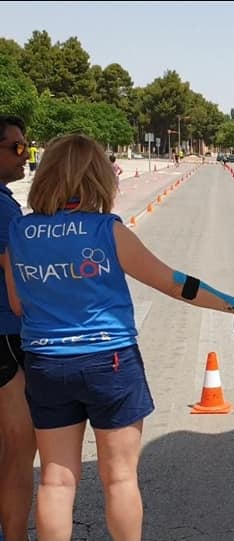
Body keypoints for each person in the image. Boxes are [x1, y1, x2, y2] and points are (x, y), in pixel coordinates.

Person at [0, 133, 234, 541]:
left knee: (57, 482)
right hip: (109, 363)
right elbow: (174, 284)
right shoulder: (105, 231)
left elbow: (18, 303)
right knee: (119, 478)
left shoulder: (20, 234)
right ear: (97, 176)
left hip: (46, 364)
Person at [0, 115, 36, 541]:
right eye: (16, 147)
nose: (25, 154)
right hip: (6, 334)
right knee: (18, 447)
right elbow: (17, 272)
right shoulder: (2, 207)